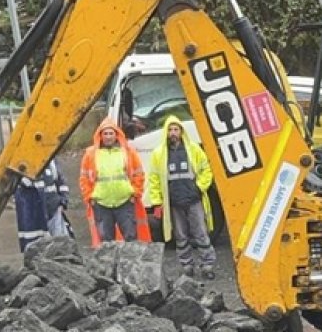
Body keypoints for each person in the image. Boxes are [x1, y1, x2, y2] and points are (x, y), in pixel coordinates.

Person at [147, 116, 217, 279]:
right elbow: (154, 179)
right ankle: (187, 266)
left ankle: (207, 265)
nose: (173, 133)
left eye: (176, 129)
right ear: (166, 132)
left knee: (201, 232)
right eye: (170, 130)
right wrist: (157, 202)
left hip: (193, 199)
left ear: (181, 131)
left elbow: (206, 169)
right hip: (174, 202)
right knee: (180, 235)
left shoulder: (193, 149)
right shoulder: (159, 154)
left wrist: (198, 187)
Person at [79, 118, 151, 246]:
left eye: (111, 133)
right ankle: (110, 266)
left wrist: (135, 193)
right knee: (106, 242)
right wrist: (90, 197)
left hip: (125, 201)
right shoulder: (91, 154)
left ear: (116, 134)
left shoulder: (128, 152)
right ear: (100, 136)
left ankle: (130, 265)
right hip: (102, 203)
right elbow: (84, 178)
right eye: (105, 134)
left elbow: (139, 174)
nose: (108, 137)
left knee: (131, 239)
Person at [14, 161, 71, 251]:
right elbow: (24, 185)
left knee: (62, 246)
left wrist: (62, 202)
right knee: (37, 249)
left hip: (54, 209)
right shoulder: (22, 162)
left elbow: (60, 181)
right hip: (34, 216)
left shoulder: (51, 161)